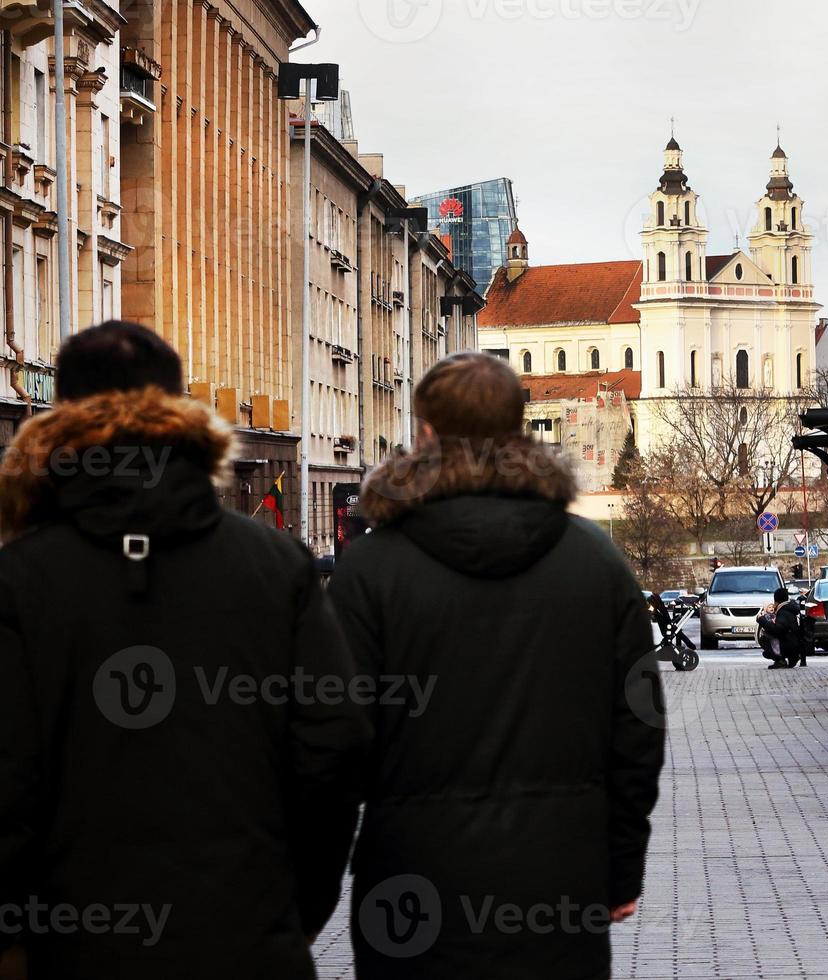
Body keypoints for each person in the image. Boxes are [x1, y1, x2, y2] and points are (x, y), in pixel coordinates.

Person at [0, 322, 369, 980]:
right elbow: (331, 752)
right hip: (247, 940)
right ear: (179, 412)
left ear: (61, 418)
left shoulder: (21, 579)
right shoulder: (275, 565)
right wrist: (296, 908)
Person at [328, 352, 665, 980]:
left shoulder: (373, 569)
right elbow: (637, 728)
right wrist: (620, 868)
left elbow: (332, 742)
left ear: (425, 432)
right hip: (558, 876)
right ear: (518, 430)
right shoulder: (594, 561)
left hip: (411, 880)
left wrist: (315, 884)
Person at [759, 587, 808, 668]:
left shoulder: (783, 612)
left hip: (789, 645)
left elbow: (777, 629)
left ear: (776, 601)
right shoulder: (790, 609)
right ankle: (792, 657)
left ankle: (780, 660)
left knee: (764, 639)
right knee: (767, 651)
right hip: (796, 643)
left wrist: (762, 620)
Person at [757, 602, 786, 668]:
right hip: (770, 635)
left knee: (776, 646)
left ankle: (779, 658)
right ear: (765, 609)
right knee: (774, 646)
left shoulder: (775, 615)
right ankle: (778, 658)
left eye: (772, 607)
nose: (771, 608)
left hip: (774, 635)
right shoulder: (766, 616)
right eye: (769, 607)